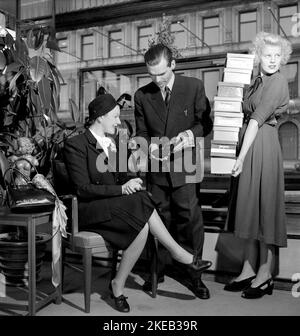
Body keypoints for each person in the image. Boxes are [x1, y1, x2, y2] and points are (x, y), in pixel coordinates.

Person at [64, 93, 212, 313]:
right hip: (90, 210)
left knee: (142, 225)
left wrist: (130, 178)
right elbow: (82, 189)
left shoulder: (115, 142)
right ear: (100, 117)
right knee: (142, 200)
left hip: (116, 207)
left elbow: (121, 176)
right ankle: (178, 253)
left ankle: (118, 285)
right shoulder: (75, 144)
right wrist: (121, 189)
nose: (118, 121)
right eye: (114, 117)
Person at [134, 44, 213, 299]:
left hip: (186, 167)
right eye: (151, 74)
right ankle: (156, 271)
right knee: (159, 222)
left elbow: (205, 123)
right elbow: (142, 133)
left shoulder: (194, 87)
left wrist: (190, 135)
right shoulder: (141, 95)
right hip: (157, 170)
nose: (156, 80)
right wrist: (146, 150)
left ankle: (194, 275)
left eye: (161, 73)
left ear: (173, 65)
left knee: (190, 221)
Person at [224, 32, 292, 299]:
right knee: (251, 209)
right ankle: (248, 269)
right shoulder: (255, 81)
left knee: (265, 209)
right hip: (251, 145)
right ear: (259, 56)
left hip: (262, 145)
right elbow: (240, 111)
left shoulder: (277, 82)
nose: (273, 60)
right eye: (268, 55)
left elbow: (256, 119)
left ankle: (265, 274)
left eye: (278, 56)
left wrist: (240, 157)